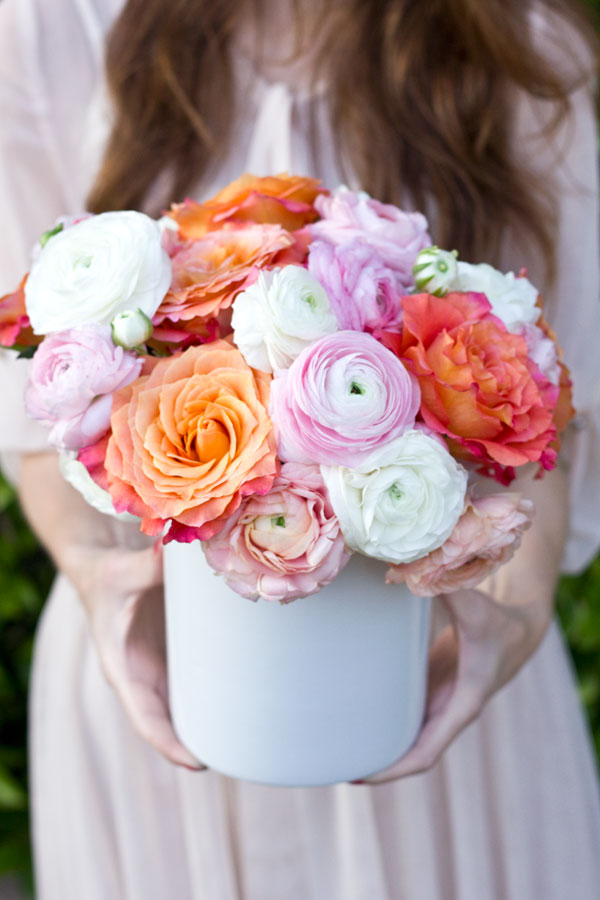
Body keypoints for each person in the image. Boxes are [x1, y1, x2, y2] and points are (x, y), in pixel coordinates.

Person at [0, 0, 599, 897]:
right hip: (159, 687)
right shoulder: (48, 26)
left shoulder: (525, 50)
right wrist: (96, 575)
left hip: (437, 686)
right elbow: (30, 403)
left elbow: (550, 407)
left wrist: (506, 621)